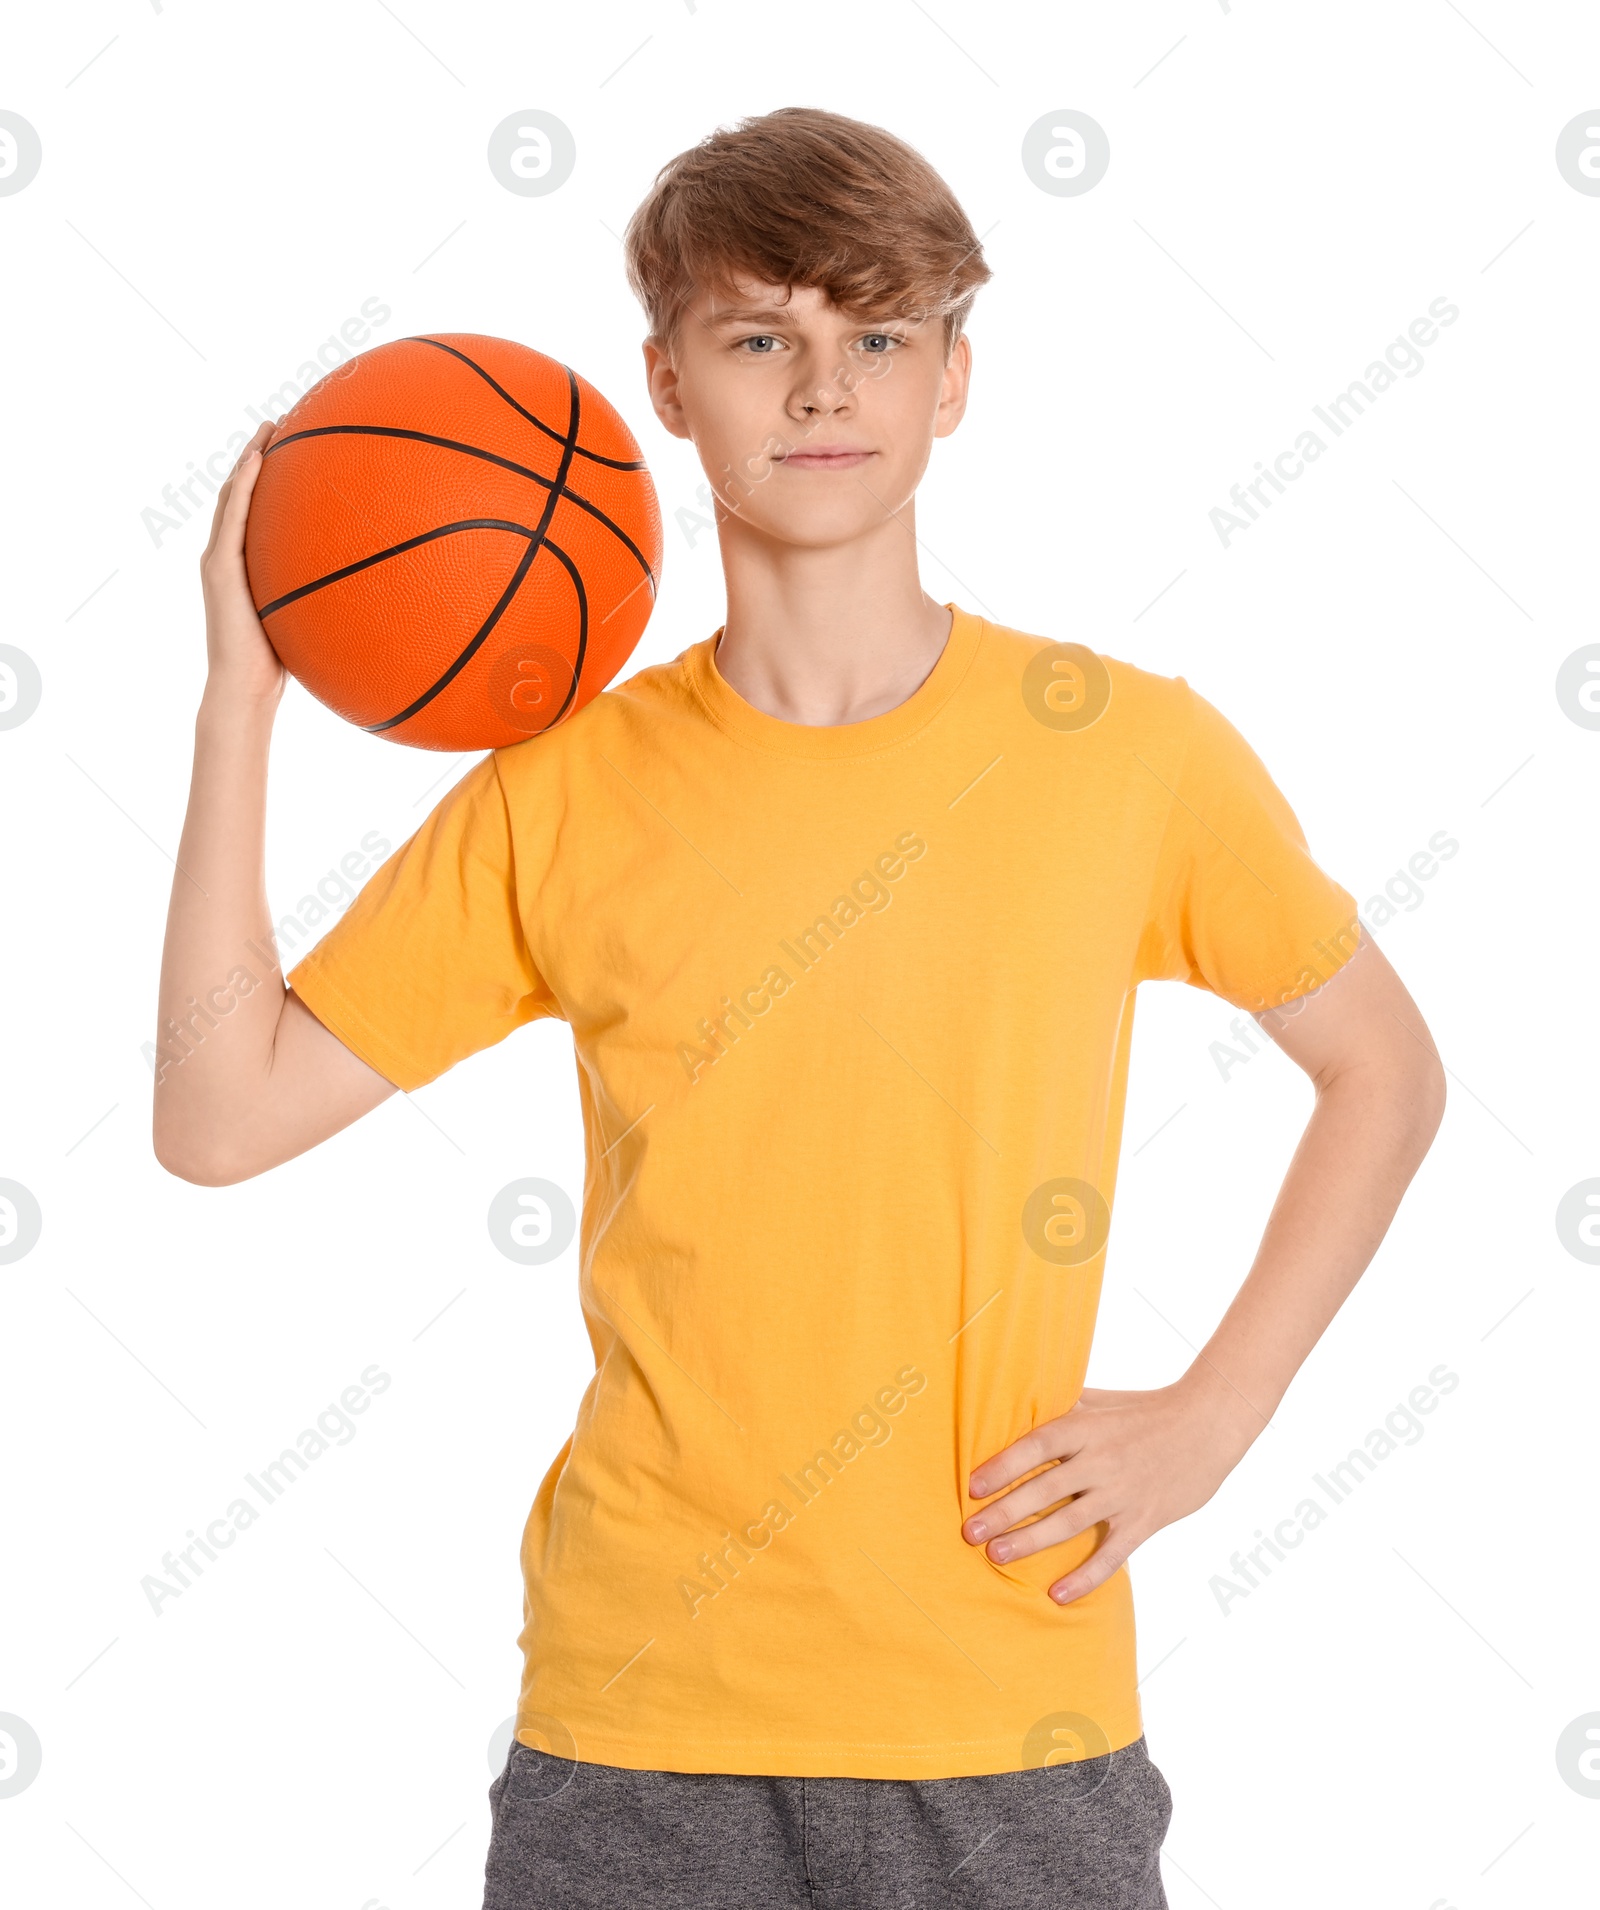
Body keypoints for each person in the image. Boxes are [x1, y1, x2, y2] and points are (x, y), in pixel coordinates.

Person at [154, 106, 1446, 1910]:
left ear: (954, 380)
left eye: (879, 337)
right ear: (666, 386)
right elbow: (220, 1116)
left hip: (1010, 1706)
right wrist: (245, 700)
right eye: (762, 336)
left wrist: (1219, 1411)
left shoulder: (1126, 752)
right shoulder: (564, 790)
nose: (823, 389)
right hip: (639, 1725)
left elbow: (1384, 1067)